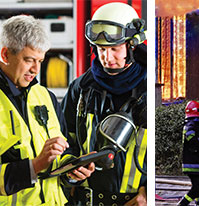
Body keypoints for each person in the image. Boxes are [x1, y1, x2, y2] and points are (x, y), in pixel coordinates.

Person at [0, 15, 92, 205]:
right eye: (29, 60)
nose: (36, 69)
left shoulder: (46, 97)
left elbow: (63, 155)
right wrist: (34, 166)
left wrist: (73, 169)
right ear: (5, 55)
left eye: (40, 61)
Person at [61, 2, 148, 206]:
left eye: (115, 49)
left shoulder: (150, 91)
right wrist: (70, 166)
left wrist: (149, 191)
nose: (107, 58)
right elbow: (64, 141)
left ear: (132, 45)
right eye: (101, 49)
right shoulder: (81, 89)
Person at [177, 101, 199, 206]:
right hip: (193, 163)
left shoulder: (197, 125)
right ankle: (182, 203)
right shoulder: (190, 125)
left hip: (198, 162)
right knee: (197, 187)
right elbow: (190, 136)